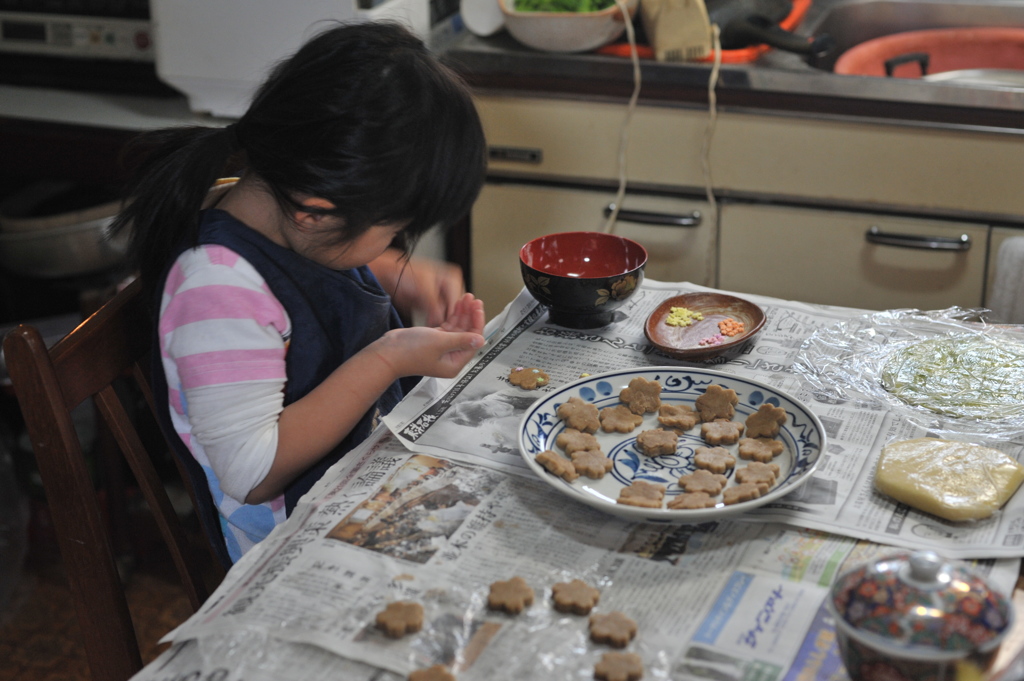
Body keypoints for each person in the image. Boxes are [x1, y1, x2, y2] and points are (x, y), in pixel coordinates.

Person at [110, 21, 488, 564]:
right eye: (391, 230)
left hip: (363, 482)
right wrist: (389, 357)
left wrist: (390, 269)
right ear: (316, 212)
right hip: (296, 546)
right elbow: (253, 473)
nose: (396, 245)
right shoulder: (217, 290)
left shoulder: (281, 210)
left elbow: (311, 262)